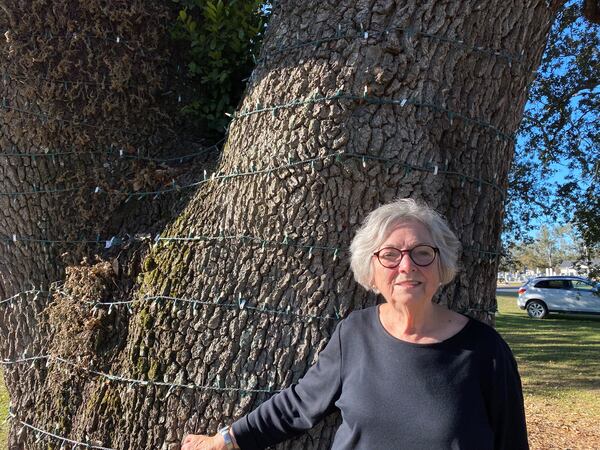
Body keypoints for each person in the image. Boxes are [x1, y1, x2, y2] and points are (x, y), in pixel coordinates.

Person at [181, 198, 529, 450]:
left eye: (422, 252)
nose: (406, 266)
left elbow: (511, 442)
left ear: (442, 266)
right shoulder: (355, 333)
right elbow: (300, 403)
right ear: (371, 272)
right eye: (390, 255)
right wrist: (226, 440)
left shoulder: (485, 350)